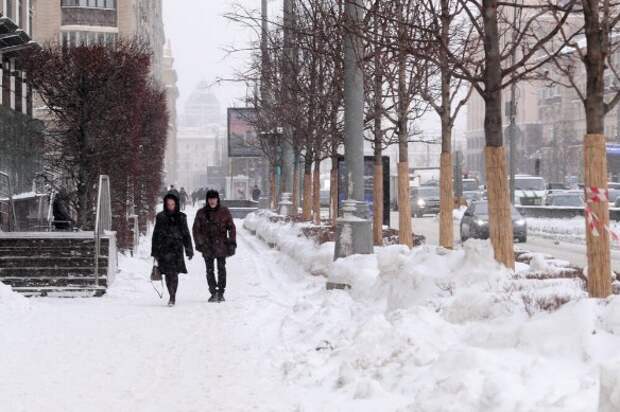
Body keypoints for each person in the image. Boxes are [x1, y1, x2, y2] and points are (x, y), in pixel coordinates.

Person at [192, 190, 236, 303]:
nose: (212, 201)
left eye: (214, 198)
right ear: (207, 200)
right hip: (207, 246)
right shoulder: (201, 213)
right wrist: (199, 243)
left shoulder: (224, 212)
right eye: (210, 199)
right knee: (209, 270)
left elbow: (231, 228)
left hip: (221, 244)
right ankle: (213, 292)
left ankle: (221, 292)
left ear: (217, 199)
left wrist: (232, 242)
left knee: (221, 269)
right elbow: (196, 229)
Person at [151, 192, 194, 306]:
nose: (170, 206)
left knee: (173, 273)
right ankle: (171, 294)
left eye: (172, 204)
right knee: (166, 273)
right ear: (165, 204)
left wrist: (189, 249)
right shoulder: (160, 217)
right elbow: (155, 234)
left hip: (176, 249)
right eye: (168, 204)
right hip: (163, 249)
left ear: (176, 204)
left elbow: (186, 234)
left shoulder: (181, 217)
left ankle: (172, 296)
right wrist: (154, 251)